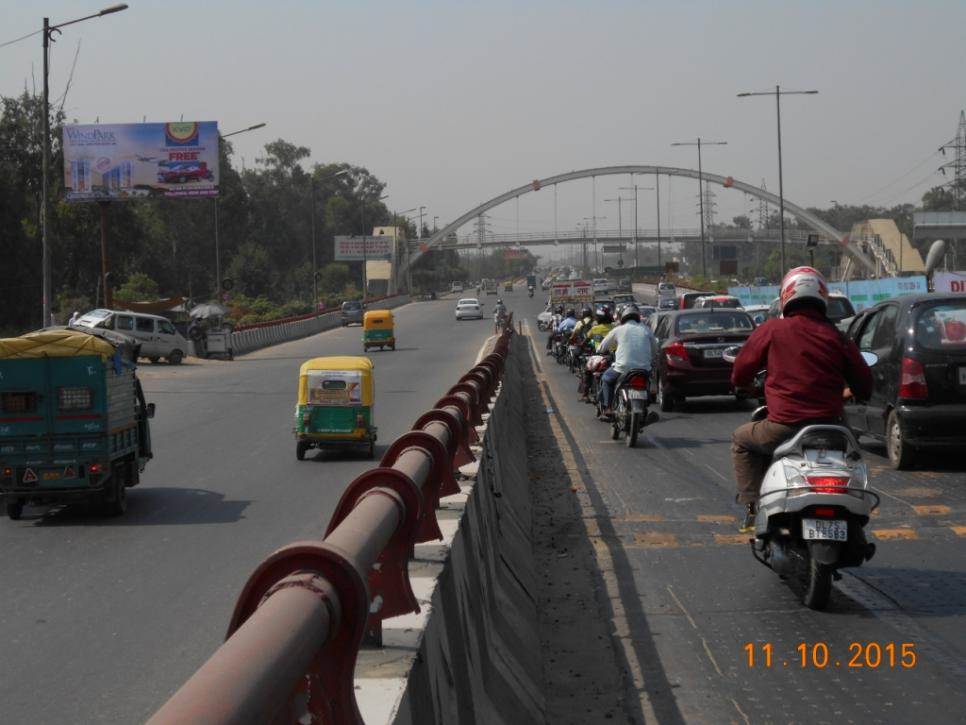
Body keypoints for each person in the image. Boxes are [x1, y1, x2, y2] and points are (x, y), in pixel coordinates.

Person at [731, 266, 873, 532]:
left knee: (742, 439)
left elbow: (740, 372)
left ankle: (751, 508)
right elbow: (865, 386)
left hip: (783, 428)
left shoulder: (773, 329)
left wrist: (746, 386)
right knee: (855, 458)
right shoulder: (837, 337)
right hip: (834, 429)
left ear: (786, 296)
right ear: (823, 297)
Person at [597, 304, 655, 416]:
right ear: (637, 316)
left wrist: (600, 350)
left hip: (622, 369)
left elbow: (602, 347)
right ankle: (647, 404)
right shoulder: (647, 330)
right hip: (644, 369)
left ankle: (608, 407)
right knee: (649, 384)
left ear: (622, 317)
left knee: (606, 379)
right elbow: (655, 349)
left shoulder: (618, 330)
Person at [579, 306, 616, 402]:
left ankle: (585, 394)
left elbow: (584, 342)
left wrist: (581, 347)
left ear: (599, 318)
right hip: (615, 357)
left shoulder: (594, 329)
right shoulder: (615, 328)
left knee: (587, 370)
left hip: (599, 357)